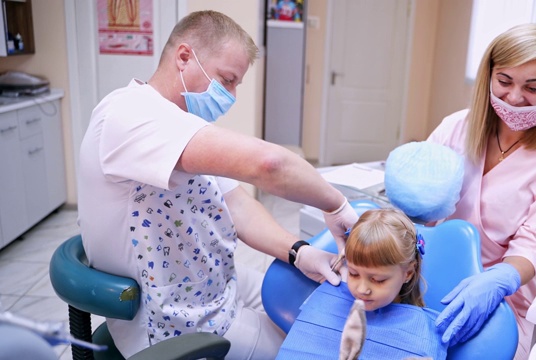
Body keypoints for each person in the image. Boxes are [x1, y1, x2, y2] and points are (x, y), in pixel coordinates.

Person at [76, 10, 358, 360]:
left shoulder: (183, 127)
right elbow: (269, 165)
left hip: (216, 286)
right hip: (177, 322)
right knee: (310, 350)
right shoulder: (128, 116)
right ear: (184, 57)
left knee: (312, 303)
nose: (232, 95)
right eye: (227, 80)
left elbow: (237, 206)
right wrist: (336, 205)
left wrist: (299, 251)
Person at [426, 23, 536, 358]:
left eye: (533, 87)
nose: (514, 98)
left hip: (507, 299)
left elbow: (535, 244)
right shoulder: (455, 128)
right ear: (489, 75)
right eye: (504, 81)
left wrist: (498, 280)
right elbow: (420, 202)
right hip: (436, 278)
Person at [277, 209, 448, 360]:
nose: (361, 289)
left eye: (378, 280)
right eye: (353, 273)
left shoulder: (421, 335)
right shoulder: (331, 297)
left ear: (408, 273)